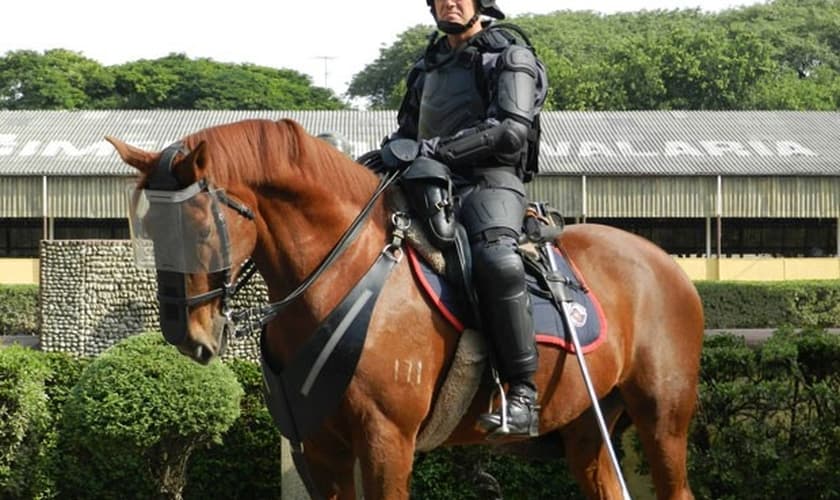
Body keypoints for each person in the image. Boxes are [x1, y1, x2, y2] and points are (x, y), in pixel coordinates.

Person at [381, 0, 548, 436]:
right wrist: (385, 155)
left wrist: (432, 150)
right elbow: (408, 133)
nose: (448, 2)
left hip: (490, 181)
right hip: (428, 180)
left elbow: (510, 132)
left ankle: (523, 394)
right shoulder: (426, 67)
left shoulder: (510, 56)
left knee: (497, 261)